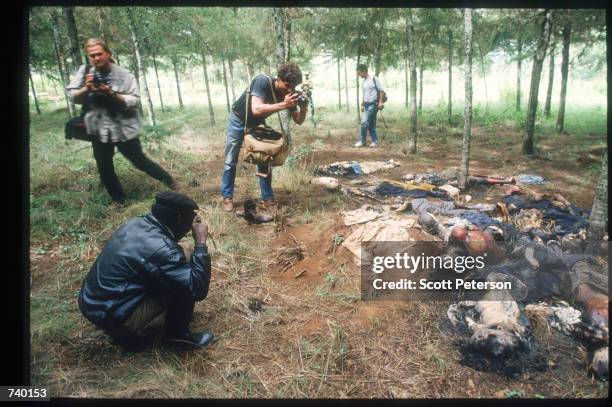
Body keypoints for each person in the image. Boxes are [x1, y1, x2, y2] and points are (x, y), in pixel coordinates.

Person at [78, 192, 214, 349]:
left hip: (92, 303)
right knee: (186, 275)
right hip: (114, 317)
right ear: (178, 219)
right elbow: (197, 289)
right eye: (190, 220)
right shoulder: (163, 250)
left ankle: (122, 332)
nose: (192, 226)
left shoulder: (135, 223)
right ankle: (179, 338)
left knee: (181, 260)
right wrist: (201, 243)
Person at [66, 38, 178, 204]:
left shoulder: (124, 75)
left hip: (123, 127)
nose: (96, 58)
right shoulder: (85, 72)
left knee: (139, 160)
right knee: (104, 165)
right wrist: (86, 89)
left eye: (99, 54)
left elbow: (134, 99)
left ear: (108, 53)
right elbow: (72, 96)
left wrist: (111, 93)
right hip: (99, 128)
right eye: (92, 55)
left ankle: (171, 182)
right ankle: (120, 200)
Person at [220, 61, 309, 212]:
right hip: (238, 119)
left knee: (264, 158)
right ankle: (227, 196)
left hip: (257, 123)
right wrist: (283, 104)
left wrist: (304, 108)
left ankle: (268, 199)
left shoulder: (288, 94)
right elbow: (256, 109)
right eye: (287, 85)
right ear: (278, 79)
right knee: (230, 159)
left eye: (293, 87)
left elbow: (298, 120)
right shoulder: (263, 81)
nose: (289, 90)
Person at [355, 64, 385, 148]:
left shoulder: (374, 79)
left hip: (373, 104)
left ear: (364, 71)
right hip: (367, 105)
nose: (359, 75)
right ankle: (374, 141)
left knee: (364, 122)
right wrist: (362, 104)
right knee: (371, 124)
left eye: (359, 73)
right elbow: (364, 94)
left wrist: (380, 102)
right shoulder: (364, 82)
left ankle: (362, 141)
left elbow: (381, 90)